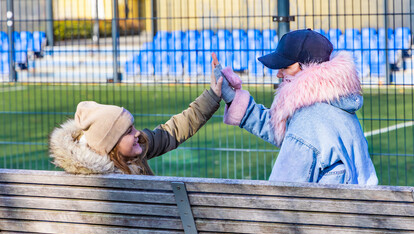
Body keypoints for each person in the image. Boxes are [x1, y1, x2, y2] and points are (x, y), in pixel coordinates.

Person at [220, 29, 378, 184]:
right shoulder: (336, 105)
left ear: (309, 68)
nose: (279, 74)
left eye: (286, 67)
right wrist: (233, 98)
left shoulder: (308, 122)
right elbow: (287, 130)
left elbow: (279, 195)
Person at [49, 56, 224, 175]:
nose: (137, 133)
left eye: (132, 127)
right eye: (127, 132)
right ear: (111, 146)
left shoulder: (133, 151)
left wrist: (212, 96)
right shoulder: (105, 185)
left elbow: (173, 130)